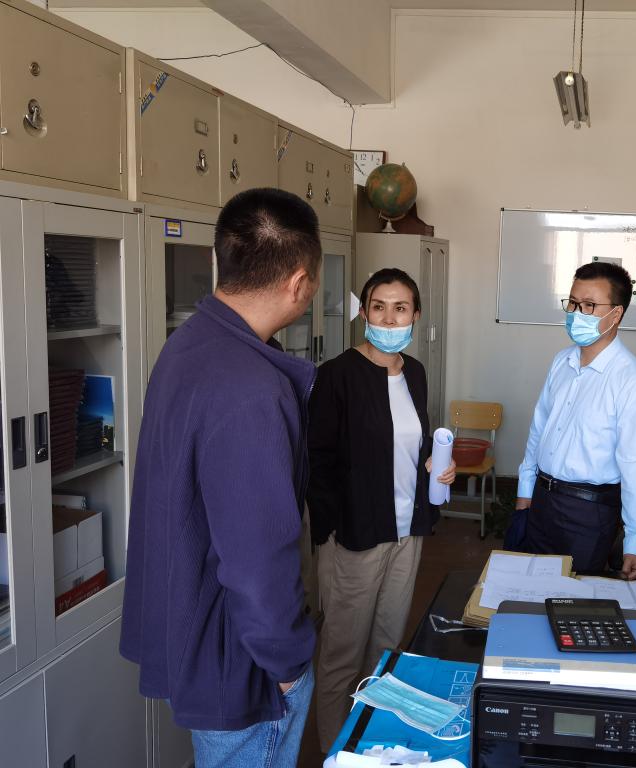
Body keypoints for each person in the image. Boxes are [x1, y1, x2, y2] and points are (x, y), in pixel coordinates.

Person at [120, 188, 322, 767]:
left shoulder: (189, 343)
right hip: (240, 661)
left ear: (221, 259)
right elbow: (257, 557)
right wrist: (286, 664)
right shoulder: (251, 389)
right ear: (299, 282)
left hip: (194, 629)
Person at [306, 267, 456, 752]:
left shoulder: (415, 372)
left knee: (387, 647)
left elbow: (411, 442)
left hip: (407, 531)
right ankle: (334, 752)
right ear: (364, 313)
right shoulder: (336, 375)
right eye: (379, 307)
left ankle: (368, 748)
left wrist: (435, 465)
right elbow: (316, 463)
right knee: (342, 654)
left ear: (416, 315)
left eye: (400, 308)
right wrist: (333, 532)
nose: (389, 319)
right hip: (355, 537)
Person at [513, 261, 636, 580]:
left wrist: (635, 542)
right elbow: (539, 430)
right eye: (573, 303)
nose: (577, 313)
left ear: (615, 314)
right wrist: (525, 490)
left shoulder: (632, 381)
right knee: (530, 590)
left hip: (588, 513)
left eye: (589, 305)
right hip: (542, 500)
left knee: (573, 599)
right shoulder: (561, 361)